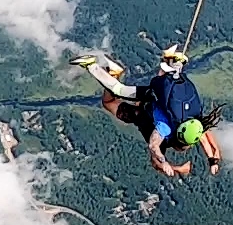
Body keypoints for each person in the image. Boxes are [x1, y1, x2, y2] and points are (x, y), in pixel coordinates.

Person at [72, 46, 223, 177]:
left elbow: (204, 138)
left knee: (164, 82)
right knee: (116, 92)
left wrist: (213, 160)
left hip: (153, 99)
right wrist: (166, 163)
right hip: (146, 103)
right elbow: (153, 146)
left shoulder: (194, 121)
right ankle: (91, 65)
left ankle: (171, 61)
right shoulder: (166, 128)